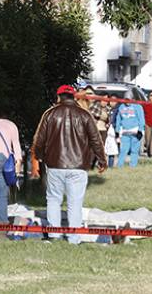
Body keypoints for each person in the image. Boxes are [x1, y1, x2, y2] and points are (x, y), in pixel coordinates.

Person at [32, 85, 107, 244]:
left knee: (53, 199)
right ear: (73, 97)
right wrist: (102, 159)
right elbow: (95, 140)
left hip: (54, 164)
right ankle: (73, 238)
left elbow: (40, 139)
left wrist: (38, 156)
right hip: (78, 166)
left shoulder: (50, 114)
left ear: (59, 97)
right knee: (75, 202)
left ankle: (54, 235)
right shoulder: (85, 115)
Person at [115, 91, 145, 168]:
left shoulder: (137, 107)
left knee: (134, 150)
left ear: (132, 98)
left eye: (129, 99)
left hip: (135, 131)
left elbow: (141, 119)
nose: (127, 101)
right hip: (125, 132)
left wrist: (140, 130)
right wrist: (117, 131)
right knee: (123, 150)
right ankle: (120, 166)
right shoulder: (121, 107)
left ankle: (133, 166)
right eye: (126, 99)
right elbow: (118, 119)